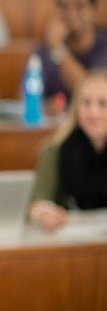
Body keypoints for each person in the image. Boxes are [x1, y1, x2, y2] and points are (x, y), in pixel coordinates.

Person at [28, 69, 107, 231]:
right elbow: (38, 201)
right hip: (69, 238)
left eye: (102, 103)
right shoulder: (56, 148)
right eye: (86, 103)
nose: (94, 113)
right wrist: (44, 213)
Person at [34, 0, 107, 115]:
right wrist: (42, 108)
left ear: (94, 10)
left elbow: (91, 93)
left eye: (79, 6)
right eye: (63, 6)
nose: (71, 14)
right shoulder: (44, 50)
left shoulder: (104, 47)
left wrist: (58, 48)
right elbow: (23, 100)